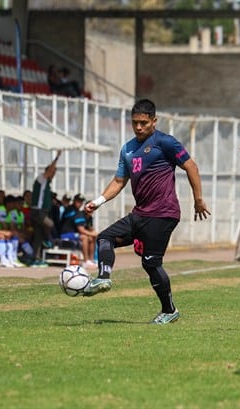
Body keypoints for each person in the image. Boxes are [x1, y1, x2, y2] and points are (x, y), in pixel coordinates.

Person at [83, 98, 211, 324]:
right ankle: (103, 277)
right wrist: (99, 200)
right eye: (135, 123)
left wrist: (198, 199)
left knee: (151, 263)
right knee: (105, 237)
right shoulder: (127, 149)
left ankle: (169, 311)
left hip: (163, 213)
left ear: (154, 121)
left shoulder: (165, 143)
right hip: (140, 213)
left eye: (143, 122)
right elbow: (119, 181)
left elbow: (191, 166)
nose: (139, 127)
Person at [30, 150, 61, 267]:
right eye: (53, 172)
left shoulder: (47, 183)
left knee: (38, 235)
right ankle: (49, 241)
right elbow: (49, 171)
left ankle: (36, 259)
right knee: (50, 225)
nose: (53, 174)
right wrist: (57, 158)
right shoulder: (41, 179)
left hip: (42, 212)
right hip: (38, 212)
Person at [59, 193, 97, 269]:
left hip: (74, 233)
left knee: (91, 237)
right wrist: (92, 234)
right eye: (78, 201)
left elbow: (89, 228)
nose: (80, 203)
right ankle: (86, 261)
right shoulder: (74, 211)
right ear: (74, 201)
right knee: (84, 237)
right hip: (66, 234)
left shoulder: (84, 214)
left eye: (81, 202)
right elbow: (81, 230)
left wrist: (93, 234)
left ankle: (91, 260)